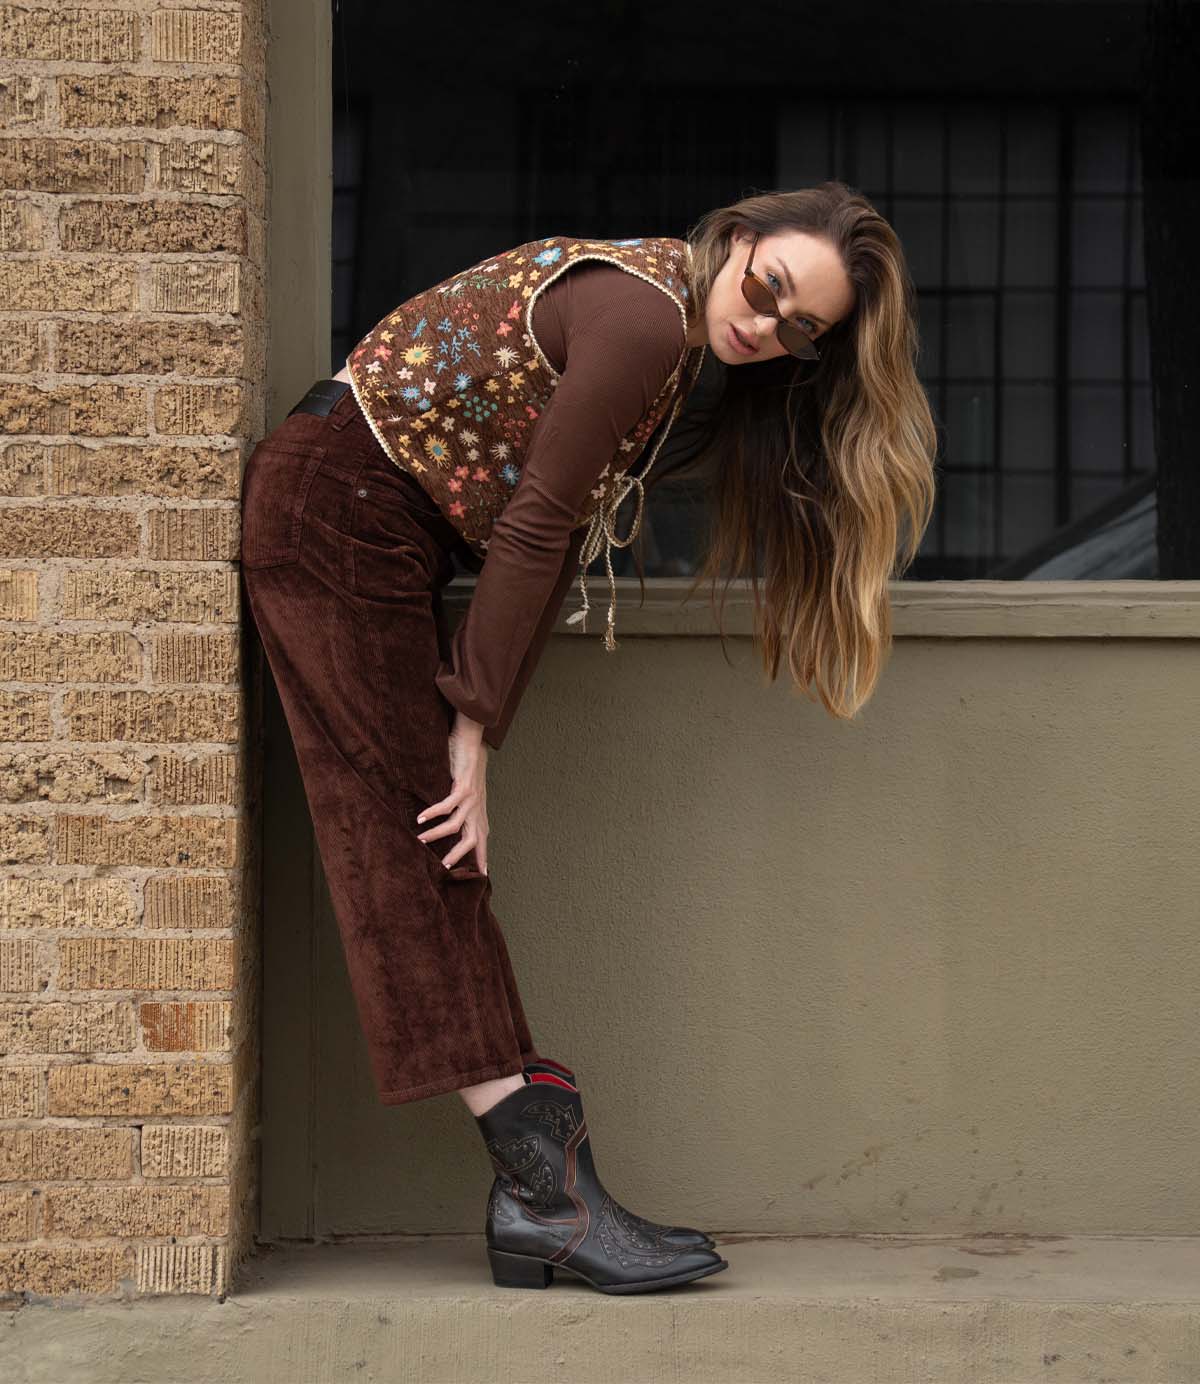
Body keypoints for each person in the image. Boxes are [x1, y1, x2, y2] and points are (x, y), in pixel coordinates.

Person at [240, 182, 937, 1295]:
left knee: (438, 850)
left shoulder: (669, 348)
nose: (765, 327)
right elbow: (537, 520)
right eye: (767, 290)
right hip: (337, 514)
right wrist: (472, 727)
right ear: (742, 238)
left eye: (799, 329)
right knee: (415, 842)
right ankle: (542, 1190)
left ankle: (546, 1188)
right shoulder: (648, 315)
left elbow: (550, 526)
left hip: (376, 530)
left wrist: (480, 721)